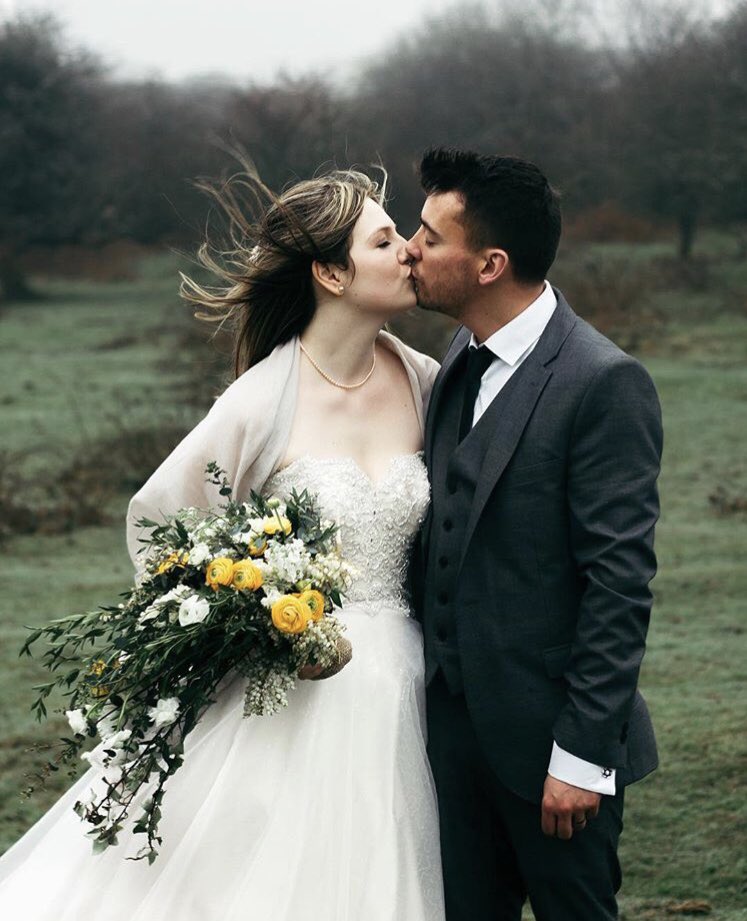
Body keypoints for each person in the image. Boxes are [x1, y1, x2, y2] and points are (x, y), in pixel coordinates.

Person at [0, 168, 446, 920]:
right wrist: (255, 614)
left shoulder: (423, 377)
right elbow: (161, 529)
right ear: (330, 272)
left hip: (406, 683)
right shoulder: (258, 400)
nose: (408, 251)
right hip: (295, 697)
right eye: (384, 238)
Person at [406, 148, 662, 921]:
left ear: (488, 264)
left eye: (428, 236)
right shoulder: (459, 351)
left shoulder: (602, 382)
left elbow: (618, 584)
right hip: (450, 744)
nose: (409, 250)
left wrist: (581, 758)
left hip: (553, 751)